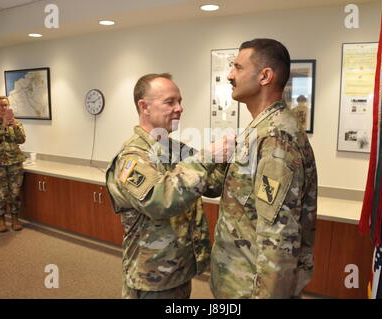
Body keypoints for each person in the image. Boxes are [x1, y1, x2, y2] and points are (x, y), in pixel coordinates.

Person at [105, 73, 231, 299]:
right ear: (145, 107)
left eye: (180, 101)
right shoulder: (132, 157)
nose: (179, 108)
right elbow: (161, 201)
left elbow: (210, 186)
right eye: (170, 102)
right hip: (152, 278)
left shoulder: (173, 149)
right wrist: (207, 157)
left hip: (179, 269)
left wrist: (224, 158)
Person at [210, 39, 318, 298]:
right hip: (237, 280)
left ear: (265, 76)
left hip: (250, 289)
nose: (229, 75)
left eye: (237, 67)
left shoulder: (276, 137)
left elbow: (278, 236)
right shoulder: (261, 128)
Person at [0, 96, 26, 232]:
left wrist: (14, 125)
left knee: (15, 193)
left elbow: (22, 140)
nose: (3, 108)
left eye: (5, 105)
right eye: (0, 105)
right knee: (1, 194)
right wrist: (3, 124)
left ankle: (15, 218)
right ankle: (1, 219)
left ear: (9, 106)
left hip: (15, 163)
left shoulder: (16, 123)